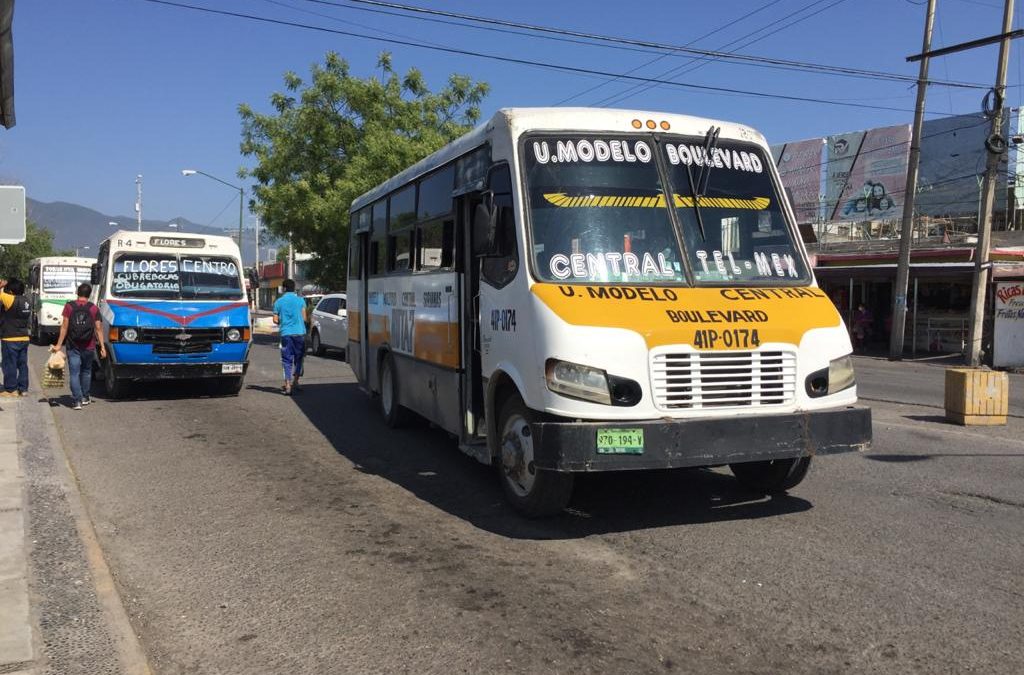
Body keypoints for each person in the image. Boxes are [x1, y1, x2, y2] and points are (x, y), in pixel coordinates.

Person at [52, 282, 106, 410]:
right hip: (89, 345)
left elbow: (64, 326)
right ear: (90, 294)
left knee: (74, 373)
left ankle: (77, 401)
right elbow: (98, 328)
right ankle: (85, 396)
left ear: (77, 292)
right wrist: (102, 347)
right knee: (86, 371)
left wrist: (59, 344)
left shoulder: (69, 307)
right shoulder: (93, 308)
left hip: (73, 345)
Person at [273, 278, 307, 395]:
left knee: (287, 360)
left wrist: (282, 321)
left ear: (284, 288)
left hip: (286, 334)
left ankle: (287, 385)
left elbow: (275, 319)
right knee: (299, 359)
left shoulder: (278, 302)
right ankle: (296, 381)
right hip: (299, 333)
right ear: (294, 289)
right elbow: (304, 318)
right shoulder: (301, 301)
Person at [0, 278, 31, 397]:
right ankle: (23, 389)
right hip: (24, 338)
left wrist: (2, 285)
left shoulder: (10, 299)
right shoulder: (26, 301)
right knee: (22, 364)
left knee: (10, 364)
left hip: (10, 338)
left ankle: (10, 388)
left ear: (11, 291)